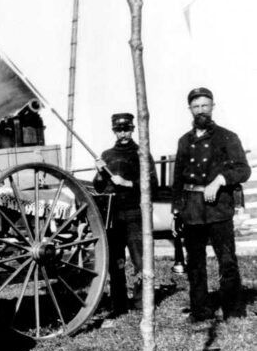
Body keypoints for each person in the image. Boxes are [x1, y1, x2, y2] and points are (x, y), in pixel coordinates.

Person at [171, 87, 251, 322]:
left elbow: (243, 170)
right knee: (195, 263)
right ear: (190, 110)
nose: (201, 110)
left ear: (213, 106)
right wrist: (177, 211)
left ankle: (234, 311)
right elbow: (177, 179)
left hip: (218, 208)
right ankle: (200, 310)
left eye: (205, 105)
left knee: (227, 261)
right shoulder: (184, 141)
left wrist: (220, 180)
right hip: (192, 209)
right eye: (196, 106)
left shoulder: (227, 137)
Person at [94, 113, 157, 316]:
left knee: (140, 260)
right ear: (114, 131)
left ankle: (141, 302)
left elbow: (153, 185)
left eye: (127, 129)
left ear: (132, 129)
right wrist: (98, 172)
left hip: (134, 213)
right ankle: (119, 304)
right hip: (113, 215)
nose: (123, 133)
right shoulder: (107, 155)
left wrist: (129, 183)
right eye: (119, 130)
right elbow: (99, 187)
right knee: (115, 261)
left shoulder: (142, 154)